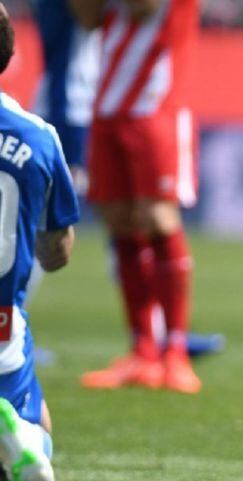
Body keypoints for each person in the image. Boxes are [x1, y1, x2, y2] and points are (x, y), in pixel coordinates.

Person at [71, 0, 202, 393]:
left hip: (156, 104)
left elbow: (144, 7)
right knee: (120, 221)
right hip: (109, 104)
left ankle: (175, 352)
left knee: (158, 218)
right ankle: (142, 351)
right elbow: (87, 17)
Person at [0, 2, 80, 481]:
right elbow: (58, 252)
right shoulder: (40, 136)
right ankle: (18, 438)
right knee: (41, 428)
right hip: (3, 333)